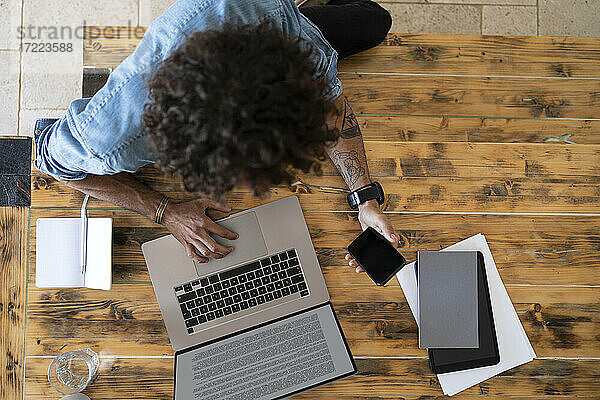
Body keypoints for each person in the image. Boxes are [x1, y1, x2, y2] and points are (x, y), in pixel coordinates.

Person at [34, 0, 399, 273]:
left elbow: (331, 109)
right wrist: (164, 211)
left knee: (377, 22)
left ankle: (306, 14)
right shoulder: (110, 137)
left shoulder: (269, 25)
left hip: (274, 19)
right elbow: (52, 161)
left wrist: (365, 198)